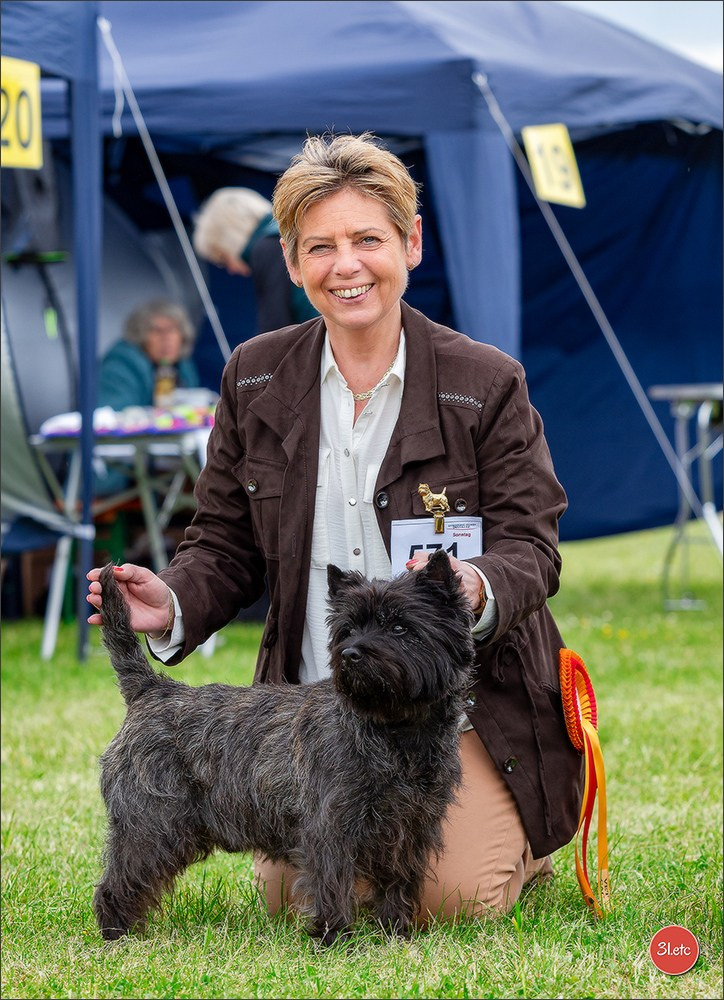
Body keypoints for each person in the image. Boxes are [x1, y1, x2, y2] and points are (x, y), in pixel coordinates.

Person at [87, 133, 584, 923]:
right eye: (320, 246)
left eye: (367, 240)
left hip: (458, 708)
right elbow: (222, 541)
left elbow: (532, 546)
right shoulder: (254, 374)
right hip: (317, 714)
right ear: (289, 262)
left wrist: (474, 586)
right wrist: (172, 601)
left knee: (444, 897)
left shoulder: (484, 382)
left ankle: (516, 838)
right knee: (306, 892)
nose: (345, 266)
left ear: (411, 243)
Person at [192, 186, 318, 333]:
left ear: (230, 237)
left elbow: (275, 332)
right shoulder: (287, 231)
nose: (231, 270)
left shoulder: (269, 246)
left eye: (223, 259)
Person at [98, 298, 200, 411]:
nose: (166, 338)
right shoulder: (118, 367)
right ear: (140, 336)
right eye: (157, 331)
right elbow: (111, 414)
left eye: (172, 330)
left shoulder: (183, 366)